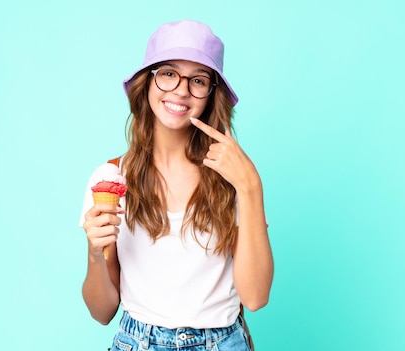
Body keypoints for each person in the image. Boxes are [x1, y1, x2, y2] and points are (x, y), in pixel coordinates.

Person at [80, 20, 273, 350]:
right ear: (148, 82)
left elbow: (255, 297)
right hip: (137, 342)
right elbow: (102, 311)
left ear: (212, 95)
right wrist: (95, 254)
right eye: (168, 73)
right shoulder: (111, 178)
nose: (181, 89)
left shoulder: (234, 176)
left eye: (198, 80)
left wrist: (251, 187)